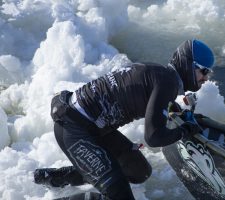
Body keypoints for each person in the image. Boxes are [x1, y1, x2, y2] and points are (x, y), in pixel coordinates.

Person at [34, 39, 215, 200]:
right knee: (120, 195)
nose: (206, 78)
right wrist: (185, 130)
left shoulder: (161, 74)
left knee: (139, 171)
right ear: (188, 65)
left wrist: (173, 111)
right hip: (74, 129)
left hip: (91, 127)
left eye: (209, 74)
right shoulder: (167, 82)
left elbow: (151, 102)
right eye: (204, 71)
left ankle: (58, 177)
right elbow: (154, 137)